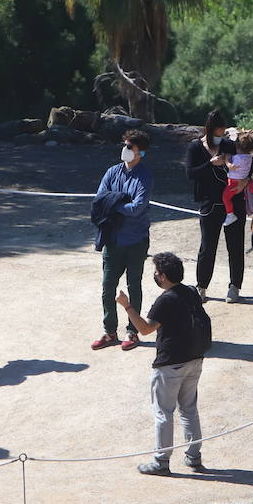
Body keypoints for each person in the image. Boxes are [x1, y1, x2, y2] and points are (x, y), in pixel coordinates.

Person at [118, 251, 208, 476]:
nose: (155, 276)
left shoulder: (165, 300)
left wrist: (127, 306)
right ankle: (193, 456)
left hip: (170, 365)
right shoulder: (190, 291)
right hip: (194, 359)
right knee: (188, 410)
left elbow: (145, 329)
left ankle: (161, 462)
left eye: (157, 273)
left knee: (163, 412)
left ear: (165, 276)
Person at [92, 129, 153, 350]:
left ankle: (132, 332)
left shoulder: (145, 177)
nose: (125, 150)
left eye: (130, 147)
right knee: (108, 287)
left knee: (133, 286)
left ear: (141, 153)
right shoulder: (112, 172)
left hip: (136, 241)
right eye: (125, 145)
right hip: (112, 240)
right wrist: (118, 203)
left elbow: (137, 208)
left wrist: (113, 204)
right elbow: (100, 200)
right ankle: (109, 331)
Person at [186, 110, 245, 304]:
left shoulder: (229, 145)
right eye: (218, 132)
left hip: (234, 202)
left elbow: (245, 163)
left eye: (223, 132)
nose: (221, 136)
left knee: (235, 245)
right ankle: (202, 285)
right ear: (210, 130)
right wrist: (210, 164)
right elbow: (191, 173)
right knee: (207, 247)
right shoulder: (195, 147)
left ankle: (235, 285)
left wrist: (243, 181)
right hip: (209, 203)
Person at [221, 133, 253, 226]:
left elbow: (230, 164)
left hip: (234, 181)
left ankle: (230, 214)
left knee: (225, 197)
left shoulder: (237, 158)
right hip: (244, 179)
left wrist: (226, 160)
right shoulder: (249, 158)